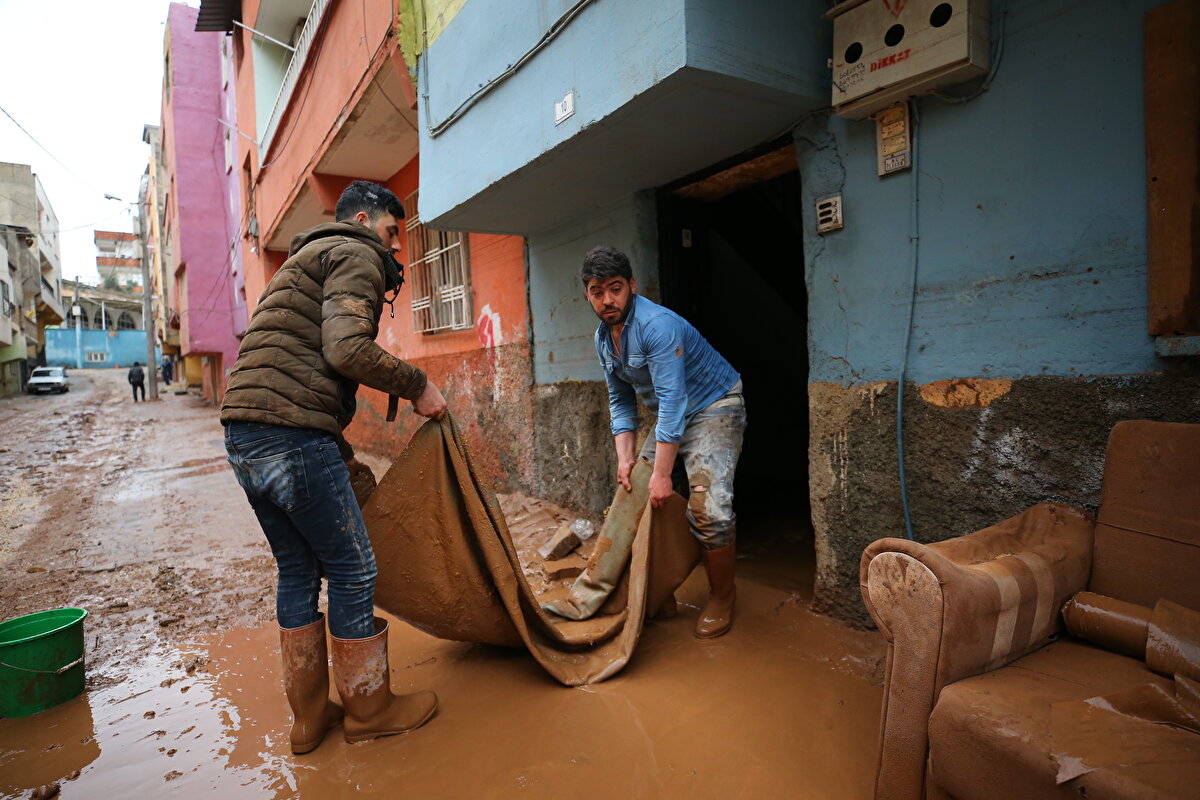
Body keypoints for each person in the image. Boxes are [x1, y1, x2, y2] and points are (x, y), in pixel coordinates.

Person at [221, 180, 447, 754]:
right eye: (394, 233)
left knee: (298, 571)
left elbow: (295, 367)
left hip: (244, 435)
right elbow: (344, 349)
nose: (396, 249)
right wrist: (417, 384)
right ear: (365, 219)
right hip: (293, 434)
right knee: (353, 571)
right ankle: (369, 708)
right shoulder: (356, 252)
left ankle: (310, 717)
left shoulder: (302, 260)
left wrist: (339, 456)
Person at [582, 246, 747, 639]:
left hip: (715, 405)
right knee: (632, 495)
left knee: (709, 509)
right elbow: (621, 400)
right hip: (673, 415)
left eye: (616, 289)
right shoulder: (604, 339)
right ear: (588, 295)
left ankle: (724, 594)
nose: (608, 300)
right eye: (597, 291)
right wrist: (625, 460)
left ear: (632, 287)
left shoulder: (657, 325)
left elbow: (673, 402)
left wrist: (662, 474)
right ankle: (653, 589)